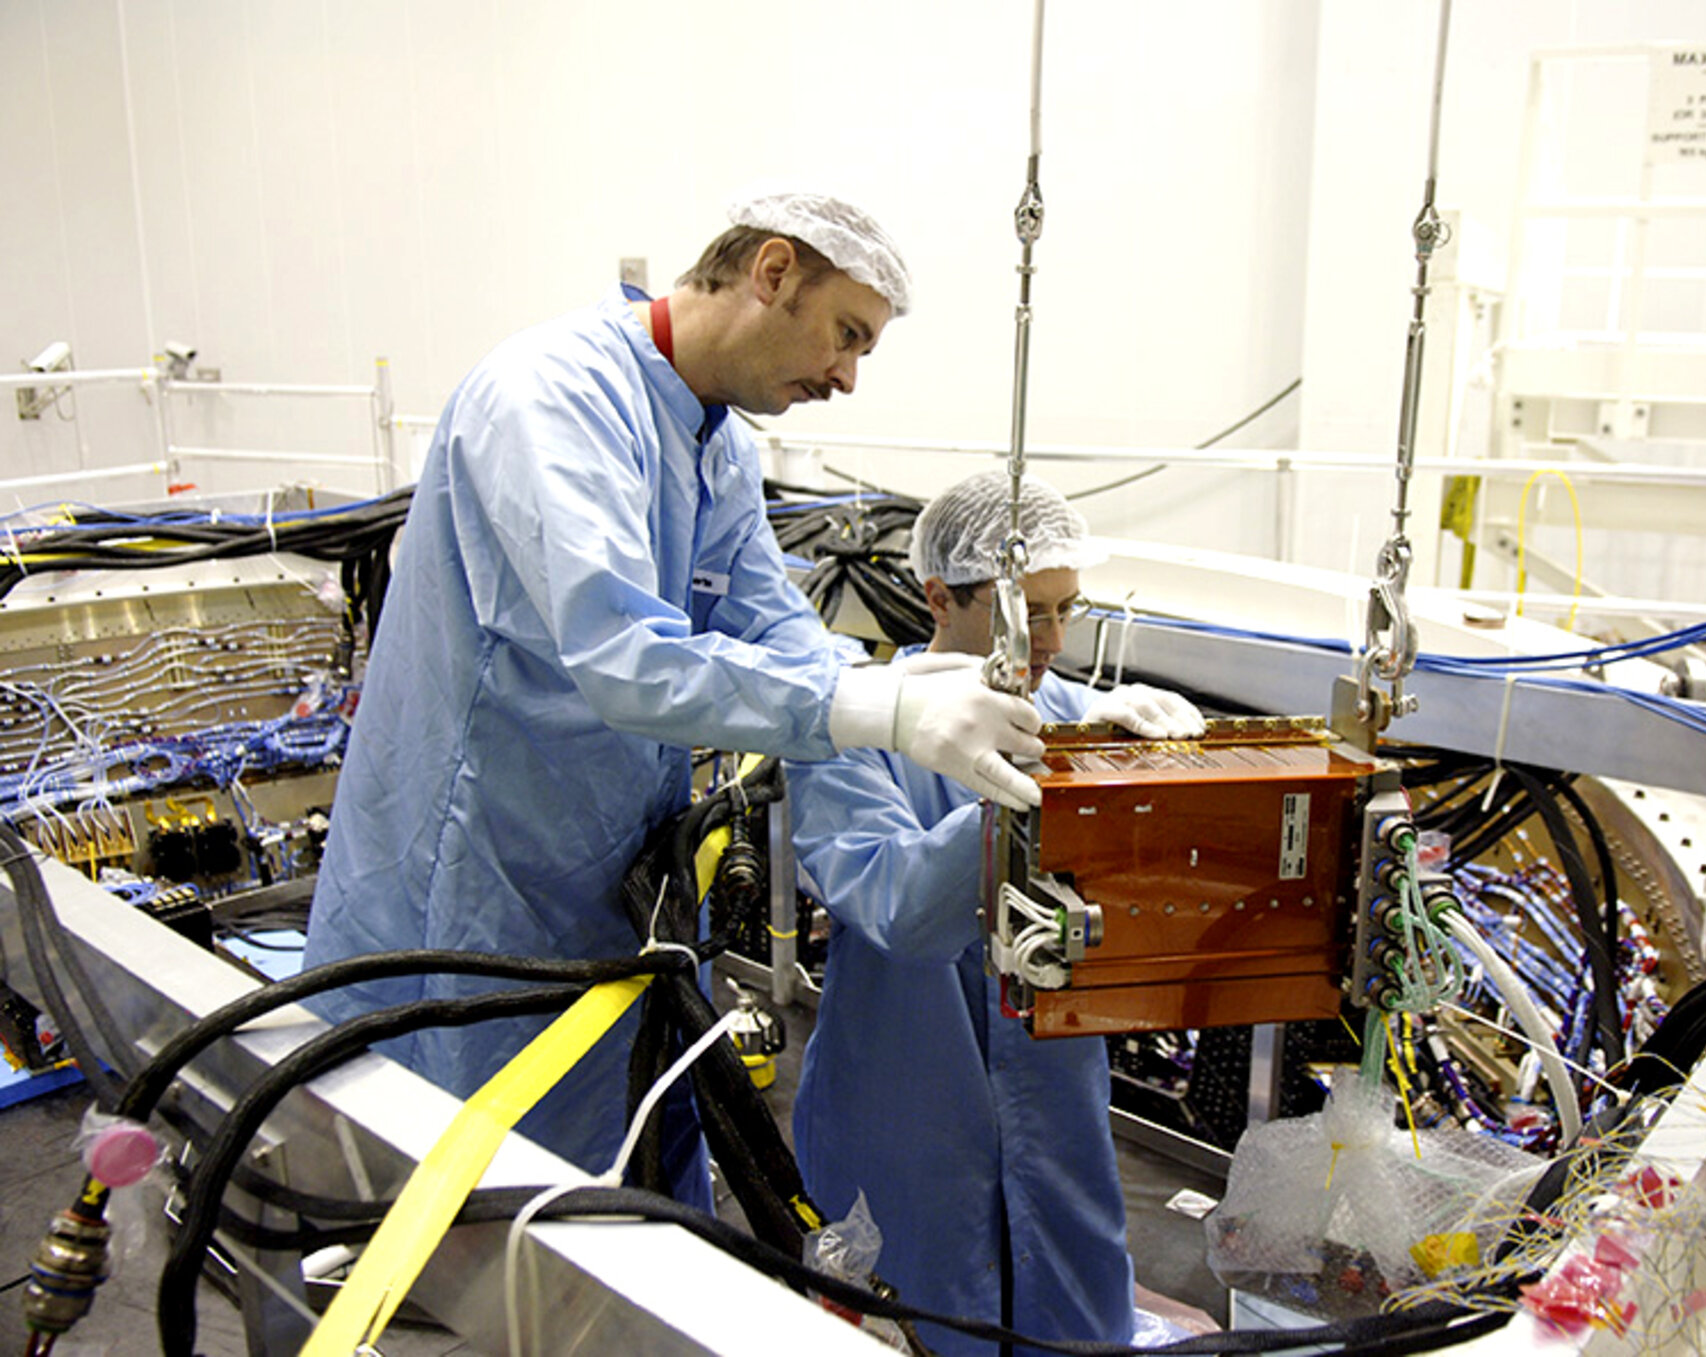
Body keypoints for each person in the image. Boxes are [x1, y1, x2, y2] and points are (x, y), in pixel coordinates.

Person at [300, 194, 1049, 1184]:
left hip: (611, 880)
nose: (848, 377)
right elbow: (621, 656)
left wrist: (898, 678)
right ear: (773, 272)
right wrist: (875, 709)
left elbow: (768, 618)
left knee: (625, 1173)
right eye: (847, 335)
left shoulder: (716, 444)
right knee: (482, 1197)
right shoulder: (553, 398)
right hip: (482, 878)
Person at [786, 471, 1213, 1356]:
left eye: (1068, 612)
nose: (1054, 642)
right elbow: (894, 902)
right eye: (1030, 616)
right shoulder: (854, 728)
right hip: (905, 1094)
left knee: (1074, 1308)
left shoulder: (1069, 713)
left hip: (1057, 1097)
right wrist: (1021, 804)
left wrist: (1159, 770)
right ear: (940, 596)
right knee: (916, 1313)